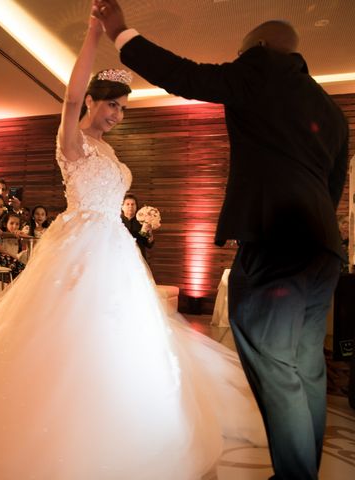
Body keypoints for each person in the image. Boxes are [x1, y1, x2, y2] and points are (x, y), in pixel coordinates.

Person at [0, 9, 266, 479]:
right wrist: (95, 34)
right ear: (92, 102)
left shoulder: (112, 152)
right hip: (78, 249)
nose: (116, 115)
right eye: (110, 104)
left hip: (115, 252)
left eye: (122, 108)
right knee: (64, 335)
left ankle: (118, 420)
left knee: (118, 339)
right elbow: (71, 92)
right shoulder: (71, 140)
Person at [95, 1, 349, 478]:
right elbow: (332, 186)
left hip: (277, 243)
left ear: (255, 47)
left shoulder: (261, 69)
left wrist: (122, 33)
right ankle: (301, 472)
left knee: (274, 365)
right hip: (322, 250)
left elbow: (187, 77)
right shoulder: (329, 108)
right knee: (305, 368)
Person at [121, 193, 154, 259]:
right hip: (121, 257)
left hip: (138, 258)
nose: (130, 206)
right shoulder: (117, 221)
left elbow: (149, 245)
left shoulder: (142, 222)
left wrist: (150, 235)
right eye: (127, 204)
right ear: (122, 207)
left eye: (133, 204)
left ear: (136, 207)